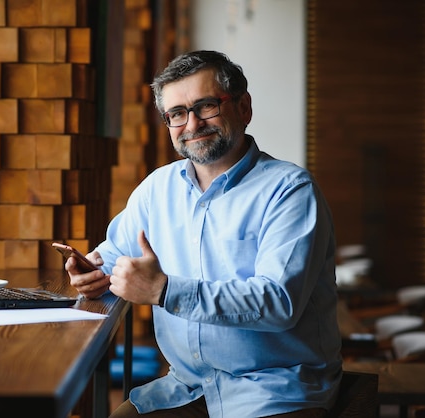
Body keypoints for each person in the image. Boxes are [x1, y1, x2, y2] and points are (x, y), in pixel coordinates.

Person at [65, 50, 342, 418]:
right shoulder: (156, 189)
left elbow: (279, 302)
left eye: (206, 106)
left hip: (275, 391)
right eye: (177, 114)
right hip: (187, 386)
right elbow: (115, 254)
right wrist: (92, 273)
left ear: (243, 108)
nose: (192, 124)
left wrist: (164, 291)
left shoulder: (290, 190)